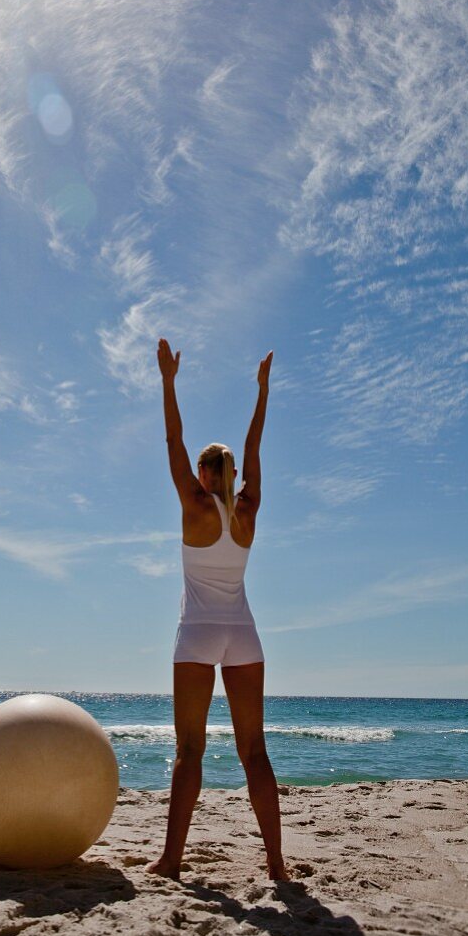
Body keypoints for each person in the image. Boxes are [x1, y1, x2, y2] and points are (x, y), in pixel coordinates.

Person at [146, 338, 289, 882]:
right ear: (232, 474)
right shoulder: (248, 509)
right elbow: (255, 443)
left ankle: (171, 860)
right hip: (244, 636)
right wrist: (263, 392)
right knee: (255, 751)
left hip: (198, 635)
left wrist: (168, 381)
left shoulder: (194, 504)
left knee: (190, 750)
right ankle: (276, 864)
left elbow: (172, 439)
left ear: (205, 475)